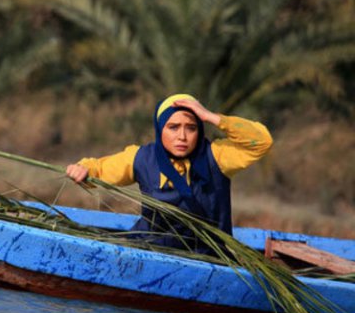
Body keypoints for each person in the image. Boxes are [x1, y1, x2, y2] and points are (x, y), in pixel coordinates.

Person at [66, 94, 273, 252]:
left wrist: (210, 116)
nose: (182, 136)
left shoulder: (217, 157)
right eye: (173, 127)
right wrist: (82, 169)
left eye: (191, 128)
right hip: (148, 250)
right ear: (160, 129)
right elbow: (98, 170)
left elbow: (262, 142)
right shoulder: (141, 158)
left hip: (207, 257)